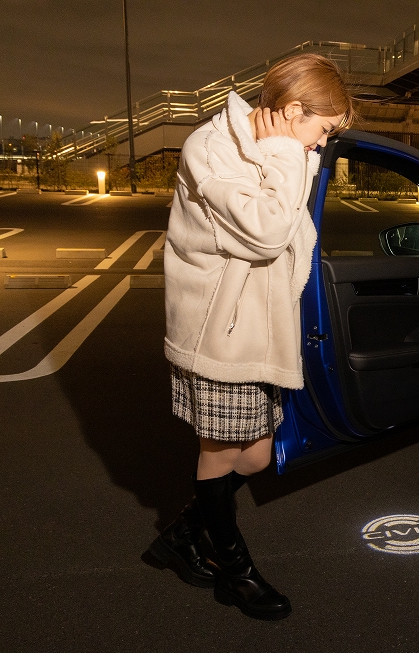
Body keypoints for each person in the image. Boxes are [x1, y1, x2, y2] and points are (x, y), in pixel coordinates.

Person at [148, 53, 353, 621]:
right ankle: (235, 573)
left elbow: (289, 229)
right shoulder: (212, 147)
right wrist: (288, 155)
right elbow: (267, 233)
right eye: (322, 129)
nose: (321, 144)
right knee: (218, 455)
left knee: (257, 457)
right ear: (293, 109)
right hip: (220, 328)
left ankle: (183, 536)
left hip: (257, 327)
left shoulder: (279, 146)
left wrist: (289, 155)